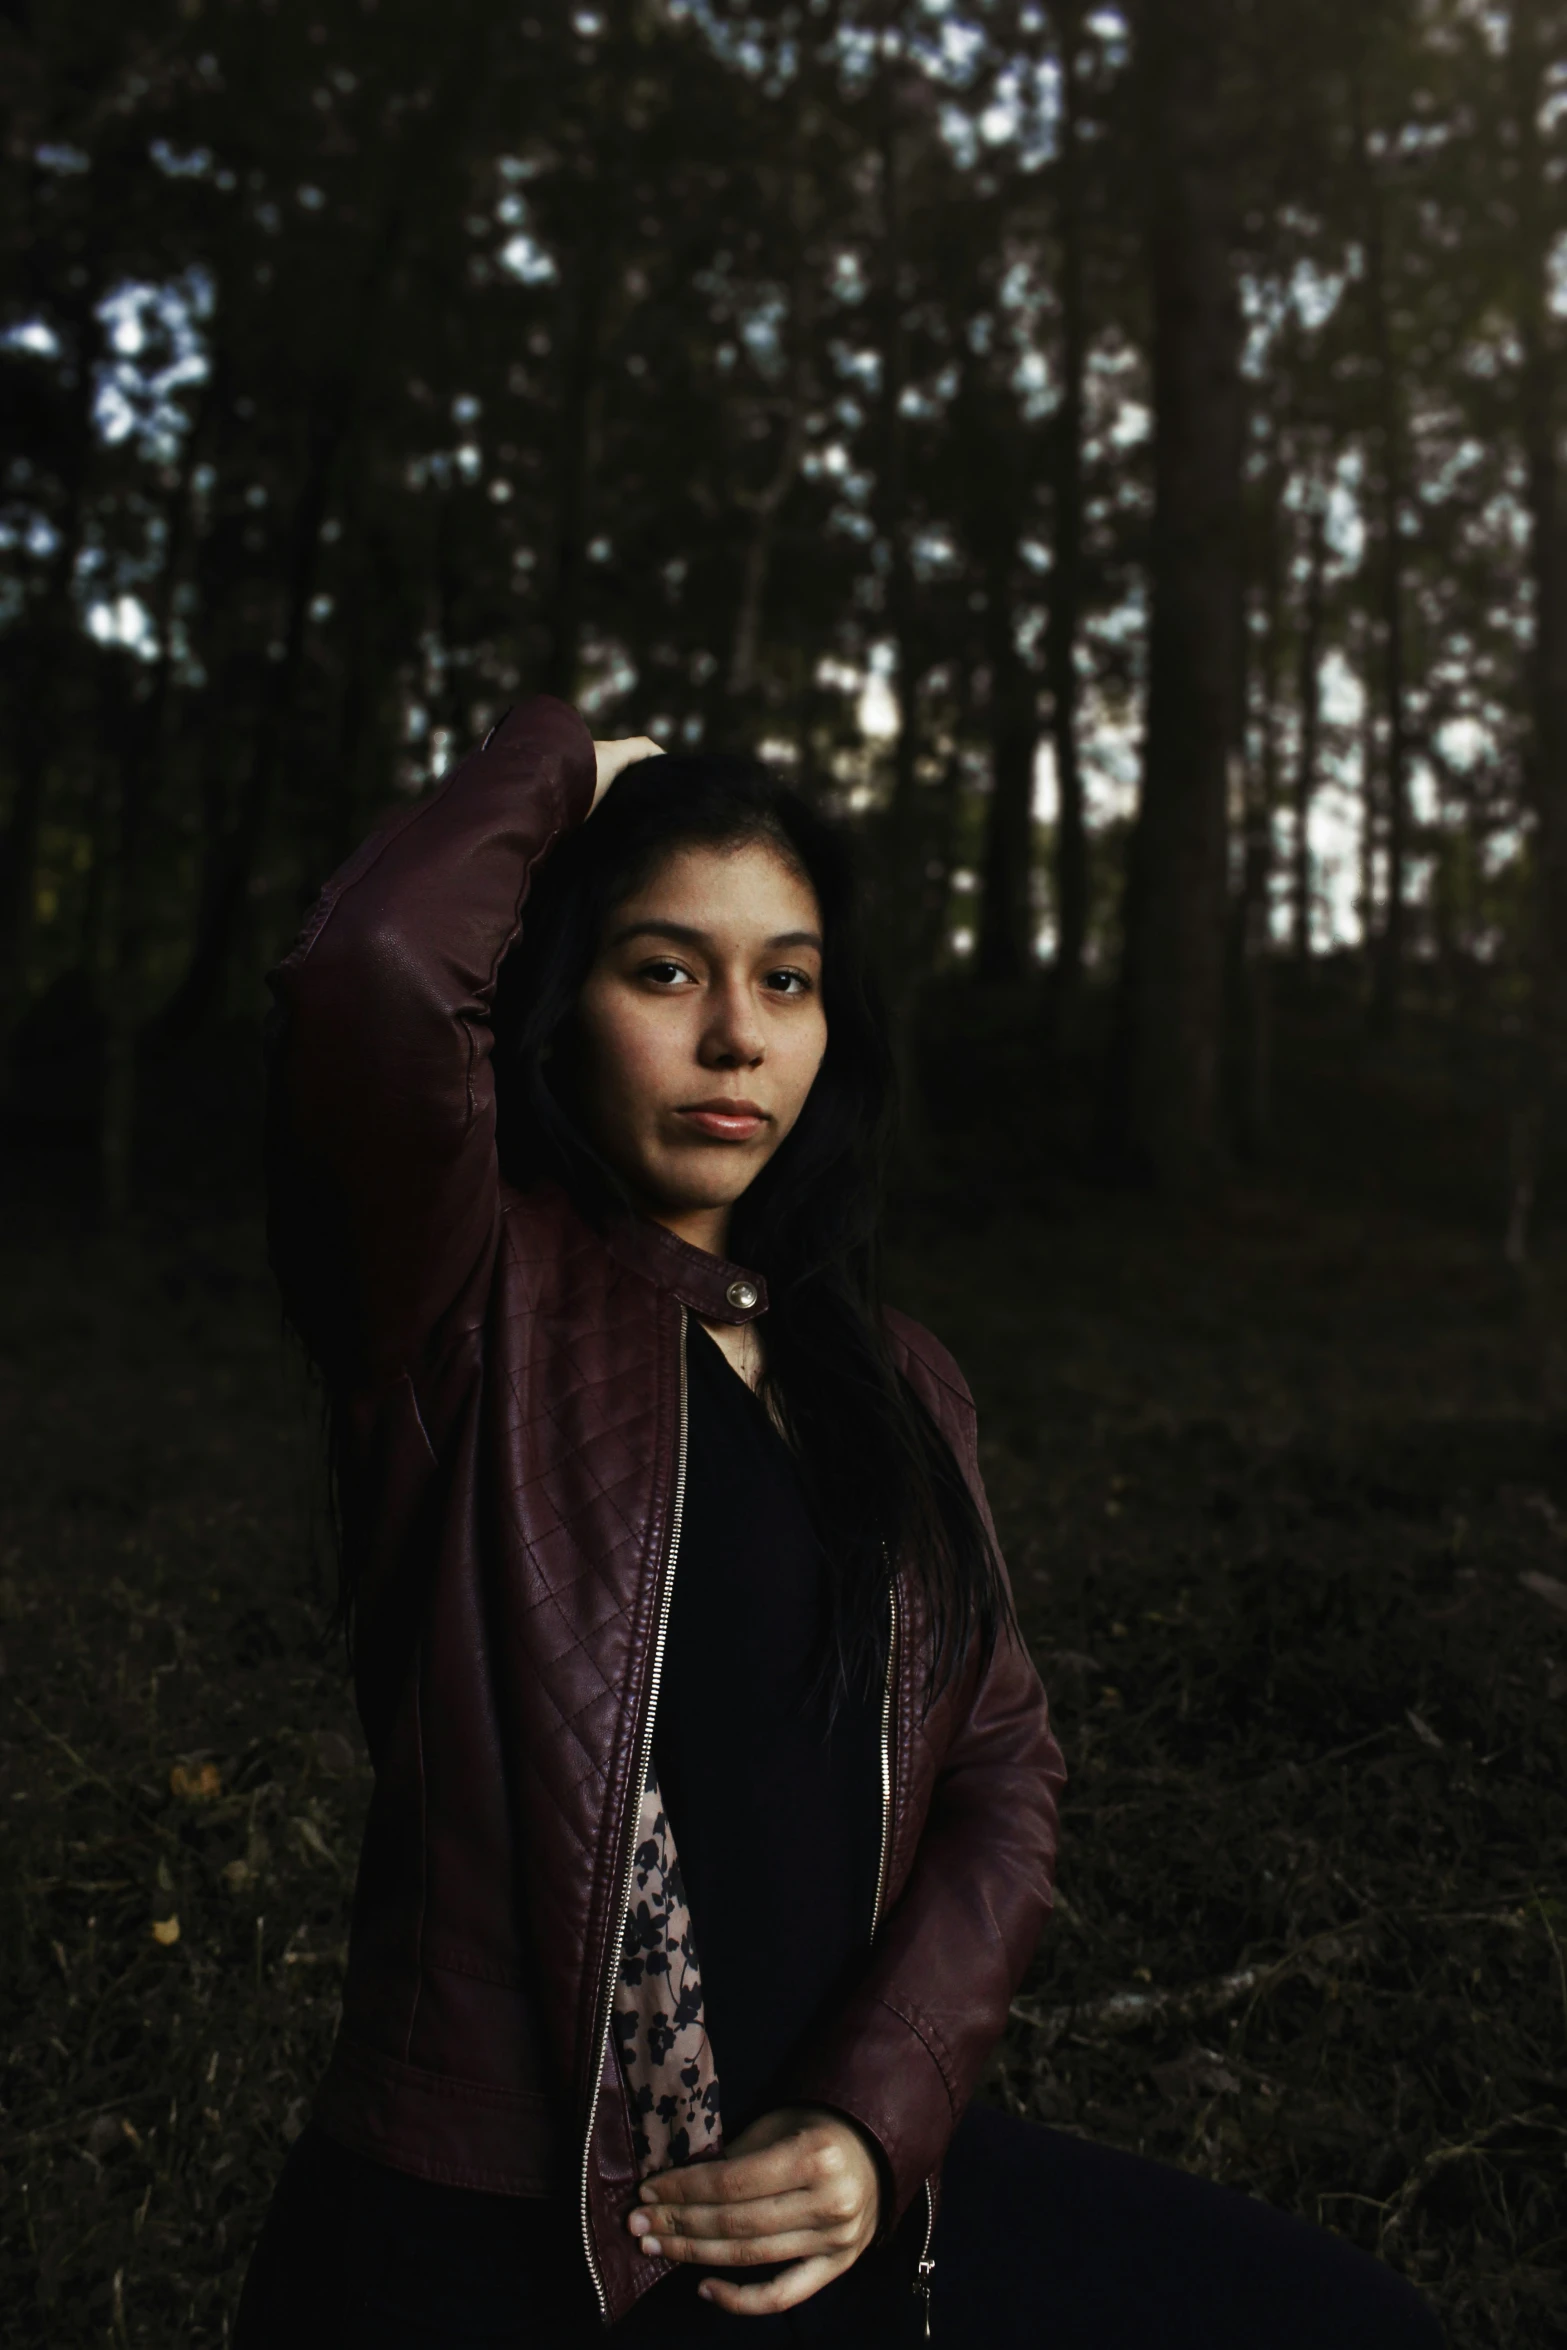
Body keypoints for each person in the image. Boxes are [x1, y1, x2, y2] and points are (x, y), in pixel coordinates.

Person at [238, 698, 1441, 2348]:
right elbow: (372, 965)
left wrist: (877, 2124)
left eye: (783, 979)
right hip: (510, 2231)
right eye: (665, 970)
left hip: (848, 2197)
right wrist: (581, 763)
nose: (737, 1035)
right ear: (556, 999)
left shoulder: (896, 1379)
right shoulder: (463, 1302)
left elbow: (1003, 1779)